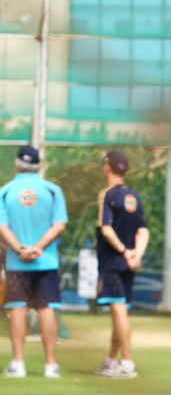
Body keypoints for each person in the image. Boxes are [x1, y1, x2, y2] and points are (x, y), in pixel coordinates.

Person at [0, 146, 68, 378]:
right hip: (45, 261)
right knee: (46, 308)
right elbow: (59, 225)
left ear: (16, 164)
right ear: (39, 165)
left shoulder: (5, 191)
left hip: (16, 262)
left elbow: (2, 227)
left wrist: (20, 249)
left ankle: (18, 364)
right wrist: (38, 247)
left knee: (18, 308)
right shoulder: (53, 191)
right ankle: (51, 365)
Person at [94, 150, 149, 379]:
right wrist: (136, 255)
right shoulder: (133, 196)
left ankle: (127, 363)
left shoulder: (107, 195)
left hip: (113, 261)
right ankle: (110, 360)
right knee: (120, 311)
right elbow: (143, 231)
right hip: (128, 264)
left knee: (118, 311)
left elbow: (106, 229)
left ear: (107, 167)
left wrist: (125, 251)